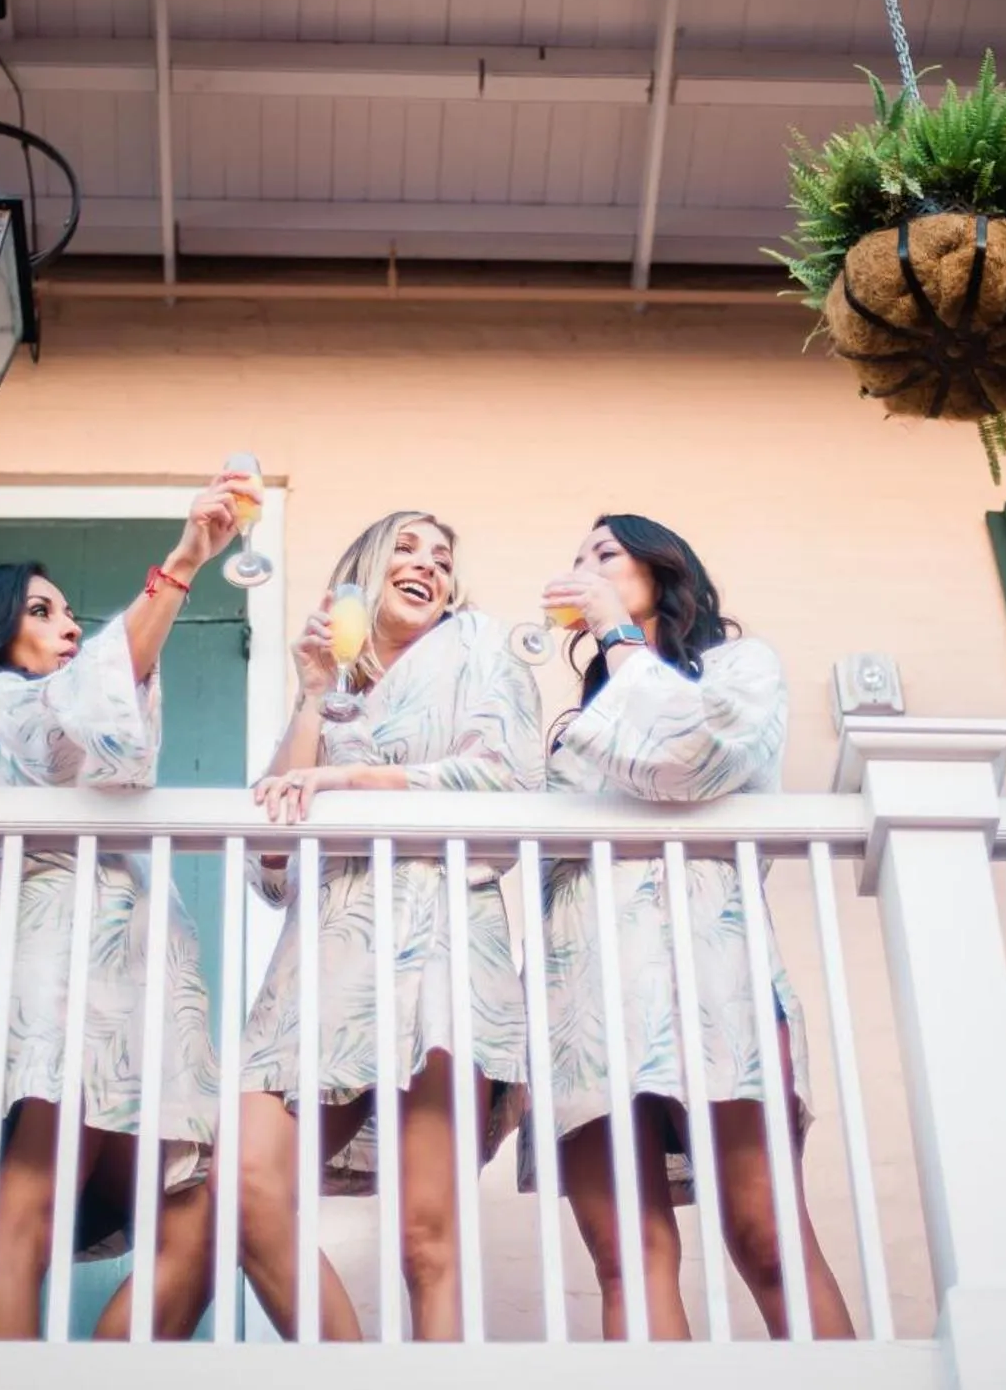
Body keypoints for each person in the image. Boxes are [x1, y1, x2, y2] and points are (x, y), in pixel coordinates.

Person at [0, 468, 255, 1341]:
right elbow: (91, 704)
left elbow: (110, 728)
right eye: (42, 610)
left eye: (69, 611)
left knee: (205, 1219)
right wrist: (183, 561)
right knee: (26, 1206)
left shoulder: (52, 699)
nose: (68, 625)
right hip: (52, 958)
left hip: (137, 981)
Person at [531, 514, 855, 1341]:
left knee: (767, 1236)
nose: (585, 569)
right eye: (576, 560)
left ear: (661, 565)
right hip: (585, 988)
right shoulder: (578, 724)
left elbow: (690, 761)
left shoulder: (738, 668)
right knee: (626, 1258)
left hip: (710, 972)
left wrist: (610, 627)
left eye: (604, 554)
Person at [231, 511, 541, 1340]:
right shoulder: (335, 691)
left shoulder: (478, 650)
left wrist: (353, 778)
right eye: (405, 548)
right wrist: (311, 695)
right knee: (244, 1182)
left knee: (425, 1236)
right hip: (325, 958)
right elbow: (273, 863)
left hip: (440, 946)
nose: (427, 565)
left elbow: (507, 781)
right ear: (363, 572)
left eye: (442, 558)